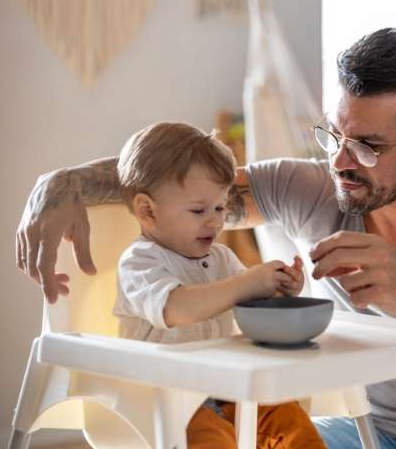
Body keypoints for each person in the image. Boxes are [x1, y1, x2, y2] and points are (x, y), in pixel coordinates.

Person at [16, 28, 396, 448]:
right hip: (357, 426)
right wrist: (62, 180)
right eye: (334, 135)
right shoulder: (309, 188)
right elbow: (179, 186)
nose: (341, 161)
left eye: (368, 146)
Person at [112, 121, 324, 449]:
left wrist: (281, 289)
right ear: (147, 211)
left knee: (289, 417)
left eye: (221, 207)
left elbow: (251, 304)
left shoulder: (222, 258)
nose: (215, 221)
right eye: (198, 210)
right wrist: (248, 282)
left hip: (227, 388)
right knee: (212, 439)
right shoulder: (140, 262)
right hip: (164, 400)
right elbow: (176, 308)